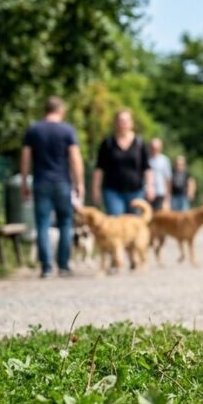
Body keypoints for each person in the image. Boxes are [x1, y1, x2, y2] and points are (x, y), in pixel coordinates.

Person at [20, 97, 84, 278]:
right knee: (65, 222)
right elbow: (75, 158)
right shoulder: (67, 130)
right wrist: (79, 183)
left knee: (42, 224)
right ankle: (63, 265)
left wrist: (25, 182)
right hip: (62, 182)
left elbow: (25, 157)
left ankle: (46, 267)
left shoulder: (34, 130)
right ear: (61, 110)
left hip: (40, 182)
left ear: (45, 109)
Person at [91, 109, 153, 215]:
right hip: (112, 191)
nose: (123, 124)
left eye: (126, 121)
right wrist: (95, 189)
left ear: (131, 123)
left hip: (136, 191)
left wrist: (150, 186)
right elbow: (99, 168)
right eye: (120, 121)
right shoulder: (107, 143)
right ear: (115, 123)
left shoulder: (139, 142)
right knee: (116, 226)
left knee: (134, 225)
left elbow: (146, 167)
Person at [147, 137, 172, 211]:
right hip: (146, 192)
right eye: (152, 147)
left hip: (160, 192)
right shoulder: (145, 158)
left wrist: (168, 195)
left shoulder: (164, 160)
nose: (154, 149)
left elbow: (167, 178)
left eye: (156, 148)